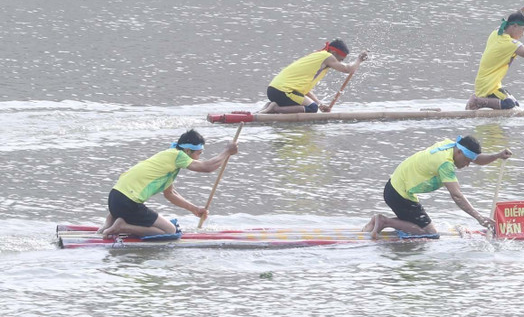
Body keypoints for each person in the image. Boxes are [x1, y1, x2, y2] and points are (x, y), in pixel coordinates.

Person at [363, 135, 512, 238]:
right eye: (467, 161)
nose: (467, 165)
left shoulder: (450, 146)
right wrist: (480, 218)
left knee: (416, 223)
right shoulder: (445, 164)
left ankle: (379, 223)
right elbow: (457, 195)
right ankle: (383, 221)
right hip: (399, 195)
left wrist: (497, 156)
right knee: (430, 233)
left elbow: (476, 158)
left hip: (395, 187)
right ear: (459, 152)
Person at [99, 130, 240, 238]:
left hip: (115, 199)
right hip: (128, 202)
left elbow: (170, 194)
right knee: (170, 231)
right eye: (199, 153)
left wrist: (194, 209)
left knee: (160, 224)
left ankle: (109, 223)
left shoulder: (169, 160)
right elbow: (206, 167)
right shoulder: (177, 155)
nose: (199, 158)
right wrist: (227, 151)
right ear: (187, 151)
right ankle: (123, 226)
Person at [259, 39, 368, 114]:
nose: (339, 62)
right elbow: (348, 69)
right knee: (312, 108)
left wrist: (320, 104)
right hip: (283, 92)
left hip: (274, 90)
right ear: (333, 52)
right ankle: (276, 108)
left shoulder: (317, 58)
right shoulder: (327, 56)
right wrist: (359, 59)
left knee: (315, 106)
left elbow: (304, 92)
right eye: (340, 59)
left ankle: (272, 106)